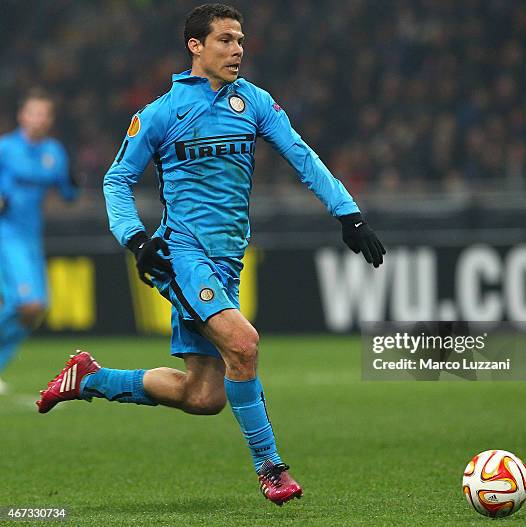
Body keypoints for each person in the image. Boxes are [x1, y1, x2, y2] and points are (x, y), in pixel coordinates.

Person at [36, 3, 385, 505]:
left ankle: (90, 378)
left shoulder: (256, 102)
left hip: (228, 261)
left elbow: (302, 156)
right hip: (181, 253)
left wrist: (349, 215)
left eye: (240, 40)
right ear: (195, 46)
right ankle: (271, 468)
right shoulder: (161, 113)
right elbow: (116, 180)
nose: (237, 50)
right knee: (243, 345)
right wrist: (137, 239)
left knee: (203, 397)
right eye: (225, 40)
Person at [0, 88, 77, 394]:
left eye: (44, 114)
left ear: (50, 119)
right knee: (27, 303)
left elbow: (68, 193)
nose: (38, 119)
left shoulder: (54, 152)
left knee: (35, 309)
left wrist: (75, 182)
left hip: (32, 237)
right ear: (22, 116)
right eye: (33, 112)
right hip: (7, 235)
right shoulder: (5, 148)